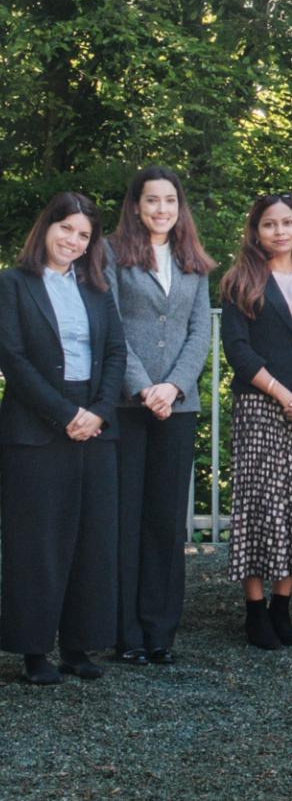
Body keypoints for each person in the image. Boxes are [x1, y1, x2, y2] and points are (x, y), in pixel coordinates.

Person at [0, 193, 127, 685]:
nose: (73, 241)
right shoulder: (13, 284)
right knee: (37, 541)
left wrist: (98, 413)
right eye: (66, 229)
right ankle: (34, 651)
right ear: (46, 227)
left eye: (83, 235)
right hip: (36, 425)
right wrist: (65, 414)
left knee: (93, 539)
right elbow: (12, 359)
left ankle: (78, 647)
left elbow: (115, 353)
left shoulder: (97, 289)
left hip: (94, 423)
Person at [105, 166, 216, 666]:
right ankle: (126, 633)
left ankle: (159, 632)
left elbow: (199, 332)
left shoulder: (194, 261)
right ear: (135, 205)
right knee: (126, 518)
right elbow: (111, 326)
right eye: (152, 200)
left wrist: (173, 387)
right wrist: (145, 386)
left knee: (166, 521)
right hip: (127, 404)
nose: (162, 209)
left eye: (170, 200)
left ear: (179, 206)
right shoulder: (110, 254)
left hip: (178, 405)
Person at [219, 193, 292, 650]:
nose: (280, 231)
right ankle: (254, 610)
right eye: (269, 224)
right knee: (258, 506)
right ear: (256, 231)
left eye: (288, 222)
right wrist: (286, 395)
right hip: (260, 406)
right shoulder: (239, 280)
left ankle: (281, 607)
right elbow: (238, 350)